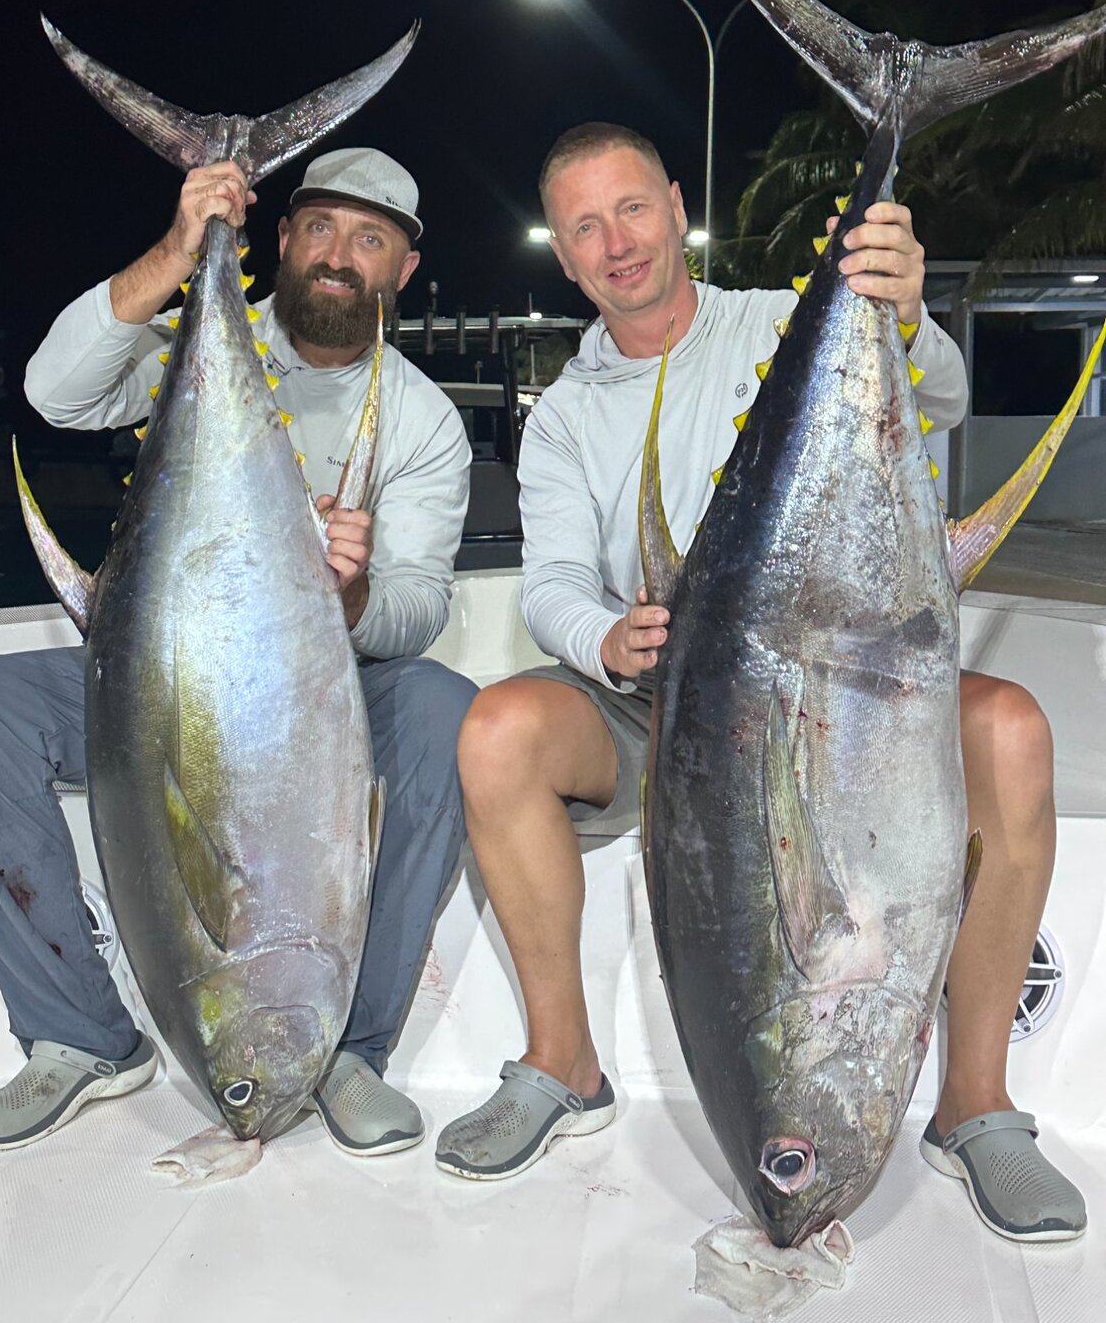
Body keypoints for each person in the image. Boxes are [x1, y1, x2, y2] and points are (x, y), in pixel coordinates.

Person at [439, 121, 1086, 1244]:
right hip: (663, 708)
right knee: (498, 731)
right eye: (584, 226)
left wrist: (909, 306)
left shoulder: (782, 323)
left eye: (630, 208)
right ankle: (564, 1062)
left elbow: (940, 399)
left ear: (677, 206)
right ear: (566, 254)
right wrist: (606, 638)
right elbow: (546, 581)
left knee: (1017, 735)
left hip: (839, 694)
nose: (615, 242)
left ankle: (976, 1103)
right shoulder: (566, 415)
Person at [0, 146, 476, 1158]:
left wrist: (347, 592)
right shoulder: (194, 345)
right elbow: (54, 393)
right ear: (282, 239)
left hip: (326, 708)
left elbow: (419, 607)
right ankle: (83, 1037)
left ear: (402, 268)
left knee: (442, 706)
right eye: (320, 228)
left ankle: (349, 1046)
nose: (339, 256)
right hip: (168, 693)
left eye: (370, 239)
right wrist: (182, 248)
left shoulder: (425, 421)